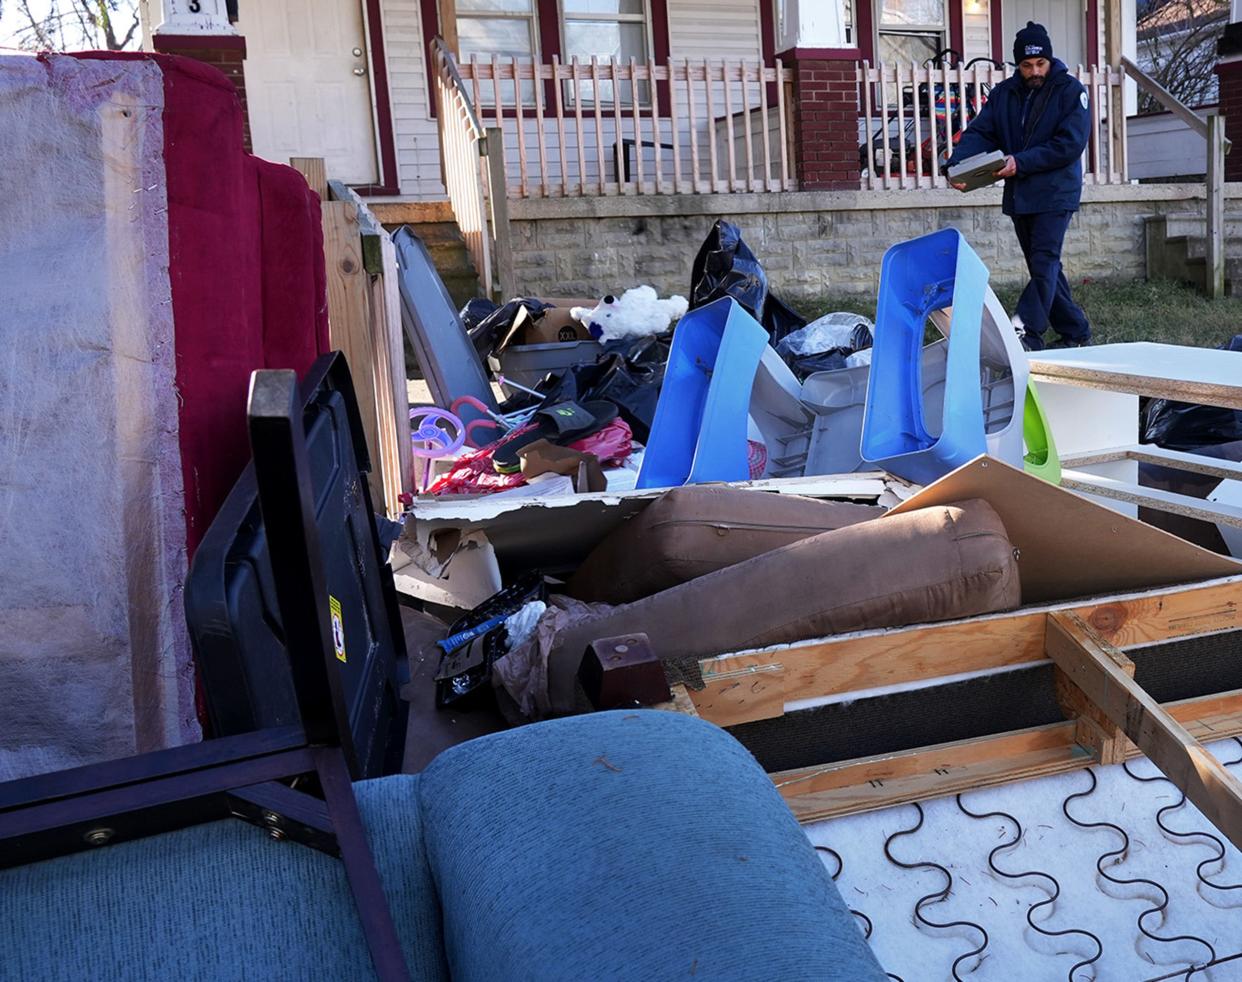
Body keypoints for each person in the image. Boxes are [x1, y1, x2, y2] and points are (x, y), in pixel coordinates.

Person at [947, 22, 1092, 350]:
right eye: (1027, 66)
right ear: (1017, 65)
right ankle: (1076, 331)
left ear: (1050, 60)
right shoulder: (1004, 95)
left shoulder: (1071, 92)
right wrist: (957, 166)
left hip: (1057, 192)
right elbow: (981, 133)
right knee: (1045, 266)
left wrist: (1020, 162)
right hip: (1021, 194)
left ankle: (1025, 332)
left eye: (1040, 63)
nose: (1035, 71)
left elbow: (1069, 144)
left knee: (1044, 260)